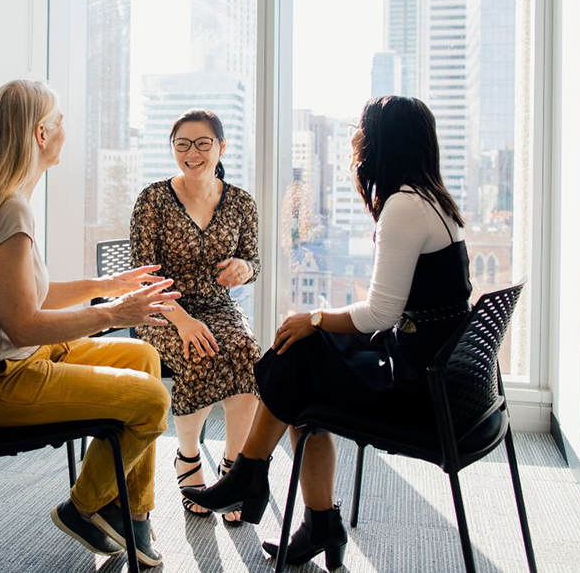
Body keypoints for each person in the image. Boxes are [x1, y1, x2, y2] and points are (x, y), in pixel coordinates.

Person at [184, 95, 473, 570]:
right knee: (299, 361)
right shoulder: (434, 200)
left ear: (382, 141)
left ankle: (255, 479)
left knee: (296, 355)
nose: (355, 138)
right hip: (433, 368)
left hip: (417, 389)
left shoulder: (404, 206)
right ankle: (286, 500)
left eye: (361, 130)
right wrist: (314, 324)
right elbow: (398, 311)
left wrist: (314, 317)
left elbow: (380, 312)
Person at [0, 79, 179, 568]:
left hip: (2, 366)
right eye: (59, 120)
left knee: (144, 356)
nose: (66, 128)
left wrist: (106, 285)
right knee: (154, 399)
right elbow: (24, 325)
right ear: (39, 134)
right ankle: (84, 507)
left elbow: (30, 294)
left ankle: (132, 512)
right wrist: (115, 314)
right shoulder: (10, 210)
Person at [130, 109, 261, 525]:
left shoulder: (240, 202)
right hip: (161, 309)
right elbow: (143, 278)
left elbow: (252, 260)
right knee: (198, 350)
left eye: (203, 143)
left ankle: (234, 468)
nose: (192, 152)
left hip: (217, 305)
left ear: (222, 147)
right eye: (182, 144)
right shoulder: (152, 199)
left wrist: (244, 268)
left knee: (246, 350)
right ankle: (187, 460)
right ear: (173, 149)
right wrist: (183, 320)